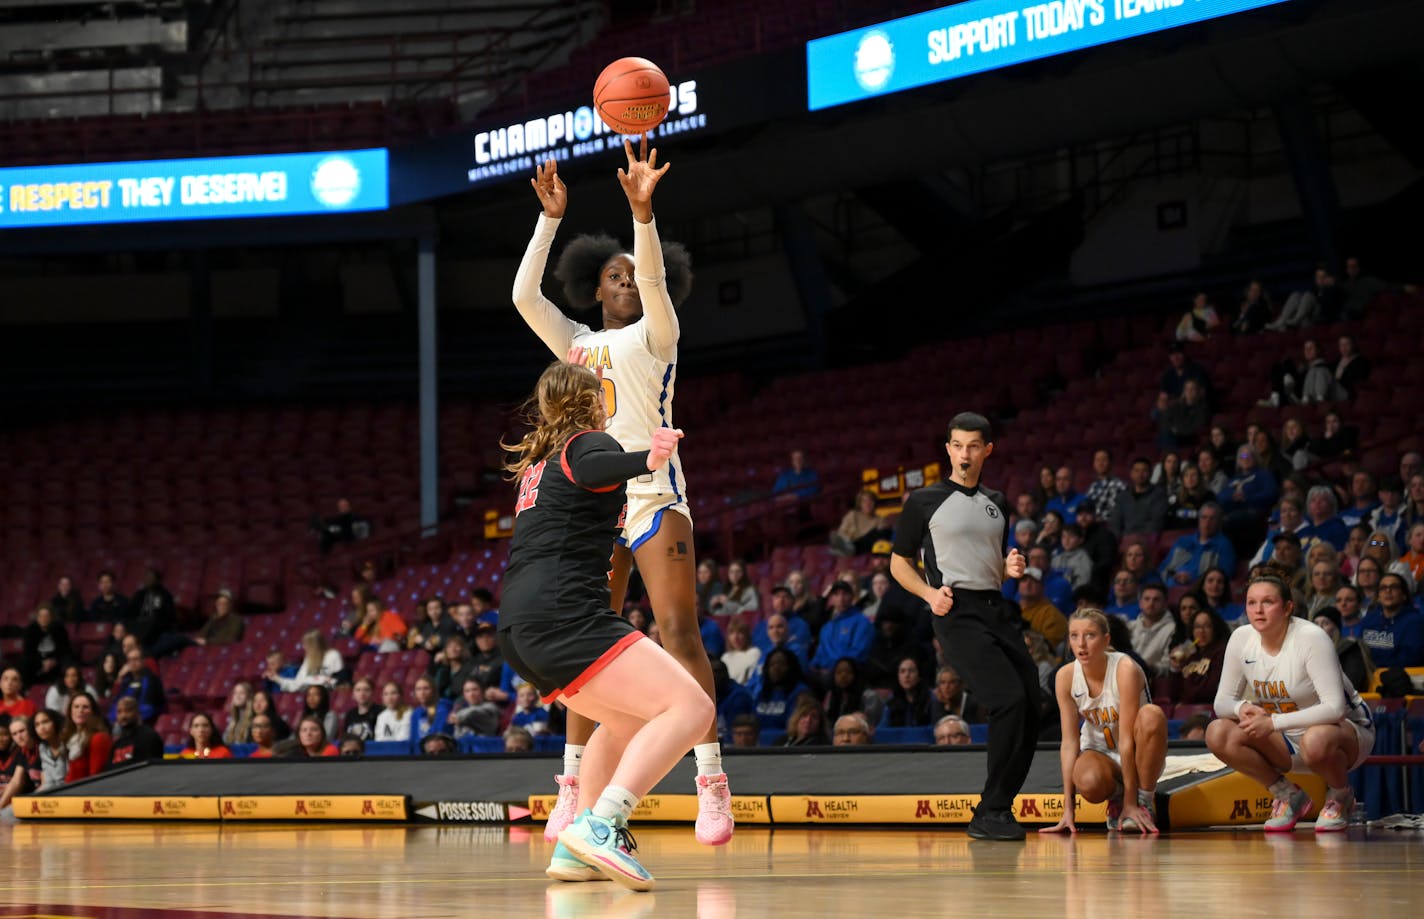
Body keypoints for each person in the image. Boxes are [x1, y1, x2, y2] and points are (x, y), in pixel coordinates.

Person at [515, 140, 729, 853]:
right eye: (616, 275)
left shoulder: (658, 335)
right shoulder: (574, 343)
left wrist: (643, 213)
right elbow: (521, 297)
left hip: (652, 492)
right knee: (592, 645)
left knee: (676, 630)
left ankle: (710, 777)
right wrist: (550, 221)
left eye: (638, 274)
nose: (630, 281)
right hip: (592, 505)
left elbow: (659, 283)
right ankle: (574, 782)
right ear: (595, 287)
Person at [495, 354, 717, 889]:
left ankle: (575, 846)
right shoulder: (589, 444)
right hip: (565, 616)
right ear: (594, 402)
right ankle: (604, 823)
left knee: (627, 722)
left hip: (519, 629)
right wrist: (648, 457)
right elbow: (597, 466)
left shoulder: (538, 462)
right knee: (692, 706)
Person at [890, 412, 1037, 841]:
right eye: (958, 445)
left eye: (974, 446)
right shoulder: (923, 501)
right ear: (948, 449)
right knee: (1008, 698)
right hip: (954, 611)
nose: (965, 454)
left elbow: (993, 560)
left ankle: (999, 807)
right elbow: (899, 563)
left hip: (997, 607)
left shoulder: (997, 500)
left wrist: (1011, 567)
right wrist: (929, 595)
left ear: (987, 450)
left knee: (1031, 697)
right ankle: (990, 809)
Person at [1207, 567, 1376, 831]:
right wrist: (1244, 707)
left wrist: (1273, 723)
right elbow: (1222, 703)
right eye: (1252, 603)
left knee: (1315, 739)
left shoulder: (1311, 638)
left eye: (1268, 602)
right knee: (1217, 732)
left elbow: (1335, 708)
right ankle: (1287, 794)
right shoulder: (1241, 638)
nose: (1258, 610)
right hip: (1287, 736)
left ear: (1287, 608)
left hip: (1346, 733)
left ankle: (1340, 794)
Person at [1042, 609, 1167, 834]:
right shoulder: (1065, 676)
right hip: (1100, 752)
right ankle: (1116, 796)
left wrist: (1133, 803)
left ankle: (1144, 800)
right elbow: (1070, 743)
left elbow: (1127, 740)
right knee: (1088, 781)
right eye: (1074, 636)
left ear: (1106, 639)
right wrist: (1068, 810)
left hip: (1138, 752)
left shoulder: (1125, 668)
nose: (1081, 644)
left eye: (1090, 635)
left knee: (1152, 715)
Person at [1159, 502, 1236, 586]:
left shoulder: (1224, 545)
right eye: (1204, 517)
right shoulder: (1183, 541)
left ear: (1218, 523)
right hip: (1169, 587)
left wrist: (1192, 579)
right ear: (1199, 520)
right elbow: (1164, 568)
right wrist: (1173, 576)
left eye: (1212, 518)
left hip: (1199, 590)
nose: (1207, 522)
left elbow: (1225, 576)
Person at [1358, 574, 1424, 669]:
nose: (1388, 591)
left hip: (1403, 679)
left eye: (1394, 587)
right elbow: (1362, 653)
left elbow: (1411, 659)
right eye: (1383, 588)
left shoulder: (1415, 622)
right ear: (1378, 596)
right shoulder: (1369, 620)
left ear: (1404, 595)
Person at [1167, 610, 1231, 705]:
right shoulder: (1190, 656)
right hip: (1187, 710)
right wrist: (1175, 669)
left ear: (1215, 629)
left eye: (1207, 626)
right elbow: (1173, 695)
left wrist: (1186, 700)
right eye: (1197, 627)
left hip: (1208, 710)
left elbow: (1211, 689)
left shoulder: (1222, 653)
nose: (1201, 631)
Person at [1312, 607, 1373, 694]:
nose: (1319, 627)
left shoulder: (1350, 649)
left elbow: (1352, 683)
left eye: (1325, 623)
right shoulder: (1312, 651)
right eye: (1316, 624)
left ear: (1336, 628)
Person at [270, 630, 345, 692]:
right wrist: (277, 678)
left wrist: (311, 681)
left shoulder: (333, 655)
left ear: (314, 644)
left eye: (306, 644)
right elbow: (297, 684)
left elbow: (338, 682)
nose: (304, 647)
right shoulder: (308, 659)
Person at [61, 692, 112, 782]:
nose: (80, 710)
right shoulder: (69, 738)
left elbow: (96, 778)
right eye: (76, 707)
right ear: (70, 711)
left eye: (85, 707)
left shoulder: (99, 738)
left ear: (93, 712)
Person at [1128, 585, 1176, 678]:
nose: (1151, 603)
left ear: (1165, 604)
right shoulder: (1130, 626)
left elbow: (1169, 665)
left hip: (1151, 680)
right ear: (1140, 603)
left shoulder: (1173, 629)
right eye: (1147, 599)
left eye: (1156, 600)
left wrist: (1149, 668)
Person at [879, 656, 933, 729]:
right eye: (902, 671)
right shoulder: (892, 700)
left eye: (911, 671)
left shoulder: (931, 698)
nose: (907, 675)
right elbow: (883, 729)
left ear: (919, 676)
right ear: (898, 676)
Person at [107, 697, 162, 768]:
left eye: (128, 711)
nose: (123, 716)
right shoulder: (117, 744)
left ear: (137, 712)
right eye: (119, 712)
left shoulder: (149, 737)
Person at [831, 490, 890, 556]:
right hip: (850, 542)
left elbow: (881, 538)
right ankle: (845, 549)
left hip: (865, 545)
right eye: (864, 501)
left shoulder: (879, 520)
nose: (868, 504)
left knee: (878, 533)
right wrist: (848, 538)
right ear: (860, 504)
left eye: (871, 500)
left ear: (875, 503)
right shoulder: (853, 515)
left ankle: (847, 550)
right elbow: (841, 532)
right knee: (834, 536)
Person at [30, 709, 68, 785]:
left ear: (55, 722)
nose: (41, 728)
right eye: (37, 725)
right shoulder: (43, 748)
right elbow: (48, 782)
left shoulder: (68, 743)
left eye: (45, 722)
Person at [720, 619, 761, 686]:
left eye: (740, 632)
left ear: (746, 635)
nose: (735, 637)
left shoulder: (754, 653)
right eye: (732, 633)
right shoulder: (725, 657)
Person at [222, 681, 255, 748]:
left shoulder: (254, 719)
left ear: (249, 696)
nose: (237, 696)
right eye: (235, 693)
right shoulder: (233, 720)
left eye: (242, 693)